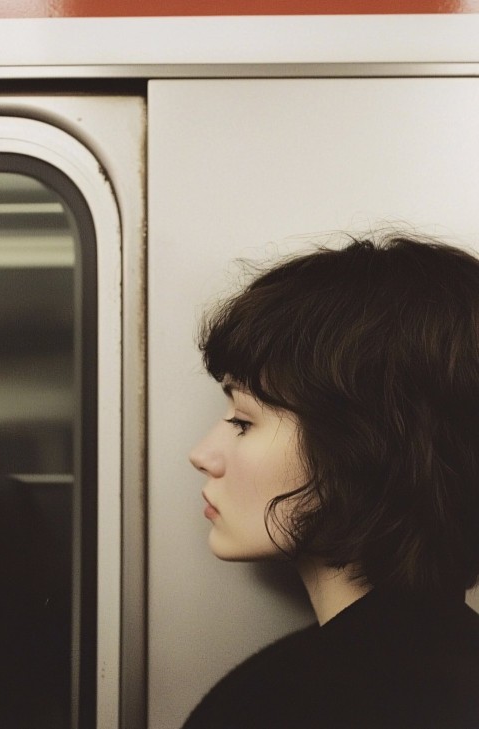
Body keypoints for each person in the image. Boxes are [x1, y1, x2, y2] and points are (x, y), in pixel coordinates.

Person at [185, 233, 479, 729]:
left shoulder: (286, 702)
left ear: (364, 452)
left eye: (243, 420)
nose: (202, 455)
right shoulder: (452, 664)